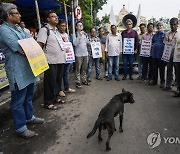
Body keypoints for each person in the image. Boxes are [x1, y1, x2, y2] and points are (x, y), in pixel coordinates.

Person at [0, 3, 44, 138]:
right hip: (17, 71)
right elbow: (22, 49)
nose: (20, 15)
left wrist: (30, 45)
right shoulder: (4, 30)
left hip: (29, 68)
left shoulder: (19, 29)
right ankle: (20, 127)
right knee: (18, 100)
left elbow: (32, 43)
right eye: (17, 13)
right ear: (9, 15)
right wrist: (30, 45)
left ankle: (29, 117)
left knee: (29, 96)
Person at [37, 11, 65, 110]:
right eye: (53, 16)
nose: (56, 18)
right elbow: (39, 45)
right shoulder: (44, 30)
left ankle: (55, 98)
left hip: (60, 60)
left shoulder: (56, 31)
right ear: (48, 19)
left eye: (56, 16)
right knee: (50, 82)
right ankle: (48, 102)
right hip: (50, 61)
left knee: (57, 81)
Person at [57, 19, 76, 97]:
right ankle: (60, 90)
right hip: (60, 57)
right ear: (58, 26)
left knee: (66, 73)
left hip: (68, 57)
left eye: (65, 26)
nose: (63, 27)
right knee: (60, 74)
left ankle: (67, 87)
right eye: (62, 25)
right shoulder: (57, 35)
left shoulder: (66, 35)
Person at [163, 18, 180, 91]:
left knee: (178, 73)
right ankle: (168, 86)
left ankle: (178, 89)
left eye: (174, 24)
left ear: (177, 25)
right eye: (171, 24)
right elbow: (165, 43)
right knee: (169, 70)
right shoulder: (167, 34)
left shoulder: (179, 33)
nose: (173, 26)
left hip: (178, 56)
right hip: (169, 55)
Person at [73, 21, 89, 88]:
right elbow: (75, 44)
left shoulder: (85, 34)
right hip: (78, 54)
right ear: (76, 27)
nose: (80, 26)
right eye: (79, 25)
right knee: (78, 69)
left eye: (81, 25)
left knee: (84, 68)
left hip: (85, 53)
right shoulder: (75, 34)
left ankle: (84, 80)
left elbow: (87, 43)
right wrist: (79, 36)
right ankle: (78, 81)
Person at [149, 22, 165, 87]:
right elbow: (152, 43)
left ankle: (162, 82)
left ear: (163, 26)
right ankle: (154, 81)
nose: (159, 27)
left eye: (160, 25)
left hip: (161, 55)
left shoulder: (165, 35)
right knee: (154, 69)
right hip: (154, 55)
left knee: (162, 70)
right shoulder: (154, 35)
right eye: (158, 26)